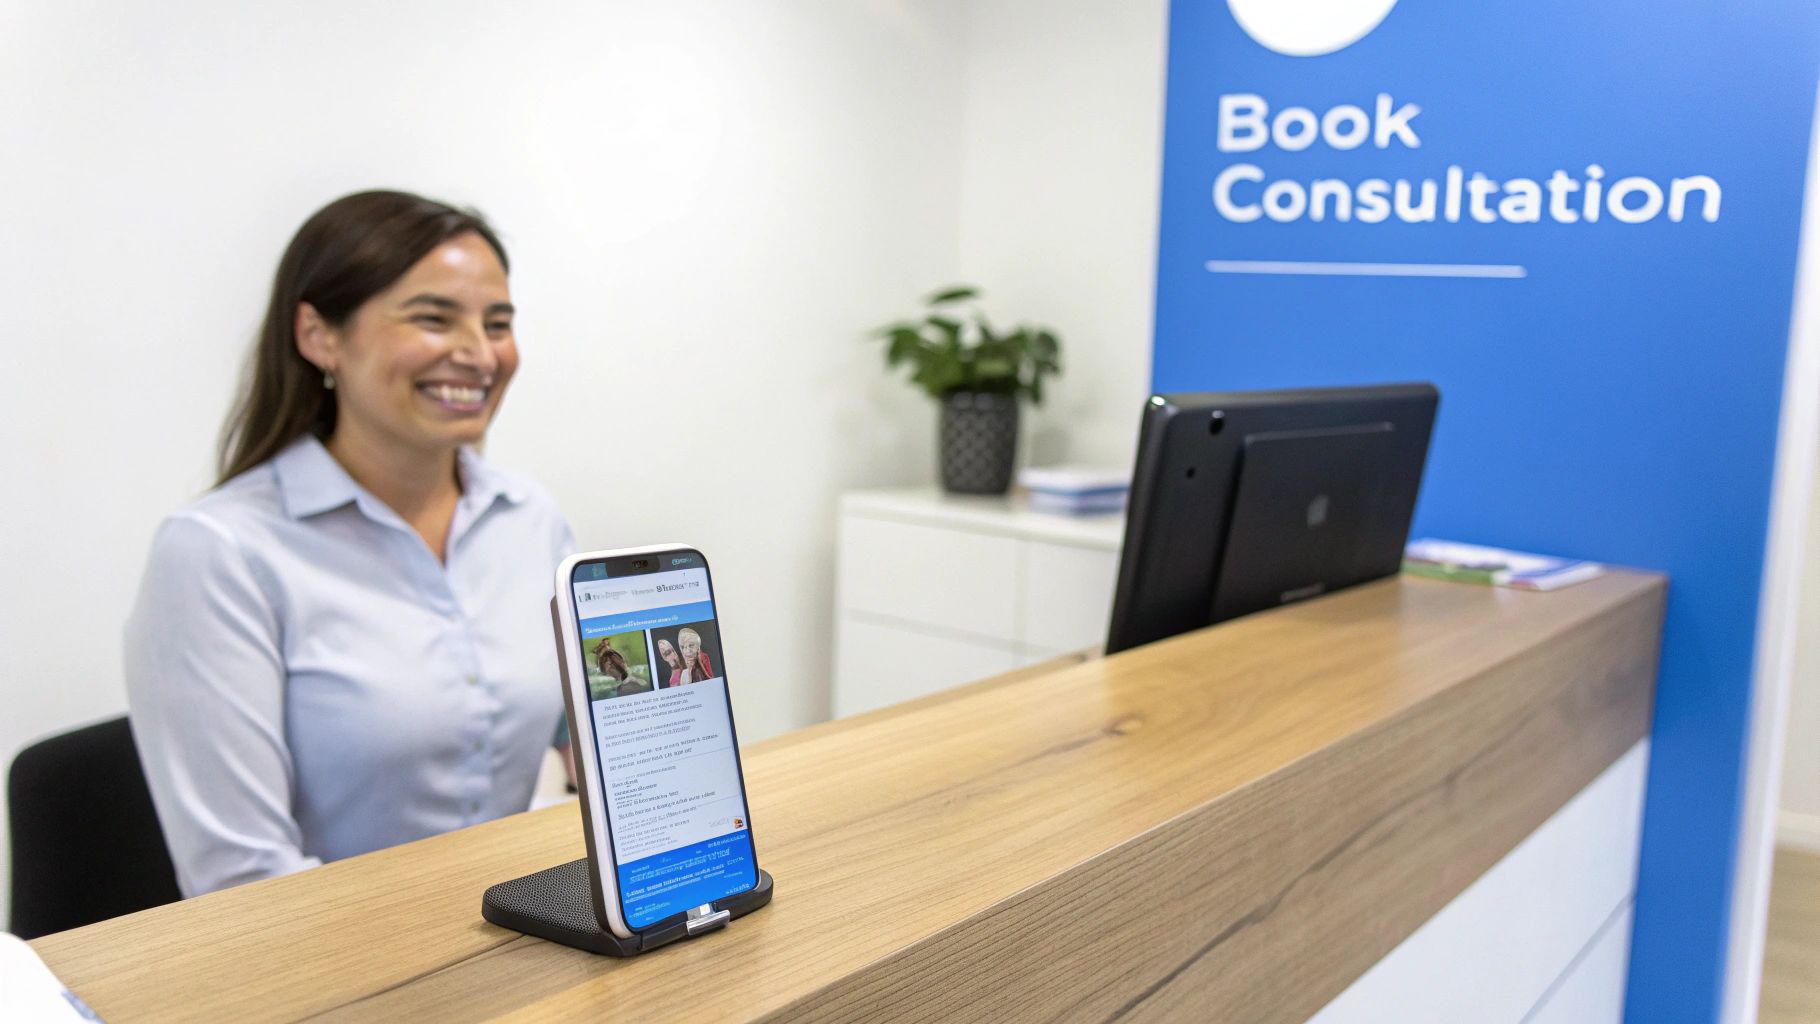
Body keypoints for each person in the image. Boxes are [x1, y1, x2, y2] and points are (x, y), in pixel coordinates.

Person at [125, 191, 574, 898]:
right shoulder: (221, 552)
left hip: (520, 939)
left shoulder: (531, 519)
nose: (480, 353)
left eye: (498, 322)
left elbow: (579, 739)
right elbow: (241, 882)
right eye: (433, 317)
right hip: (328, 978)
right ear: (318, 335)